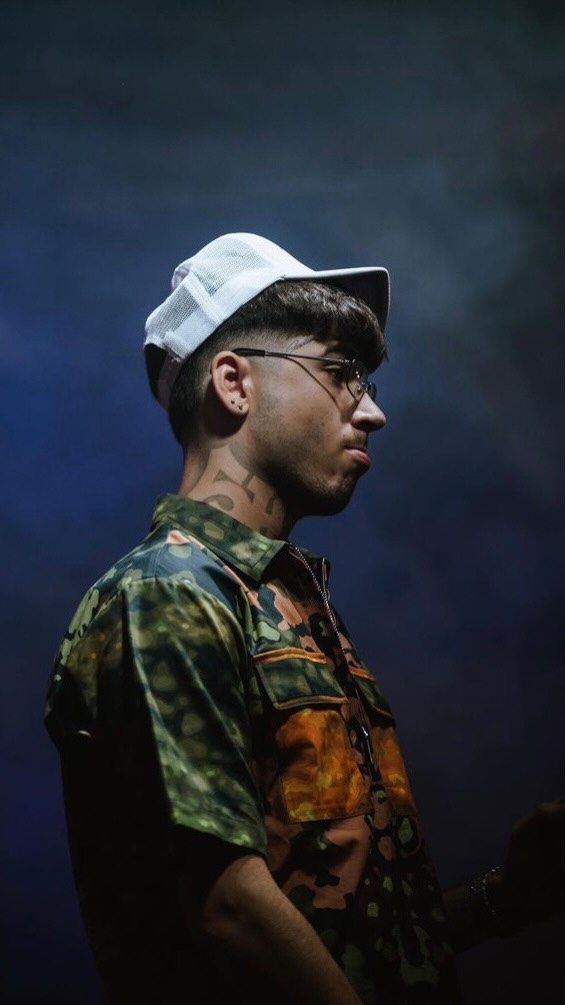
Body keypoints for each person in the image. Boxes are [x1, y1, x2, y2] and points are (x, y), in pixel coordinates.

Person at [45, 233, 563, 1004]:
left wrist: (508, 895)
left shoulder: (283, 603)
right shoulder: (169, 591)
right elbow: (229, 910)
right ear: (234, 382)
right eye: (341, 372)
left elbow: (347, 937)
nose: (373, 411)